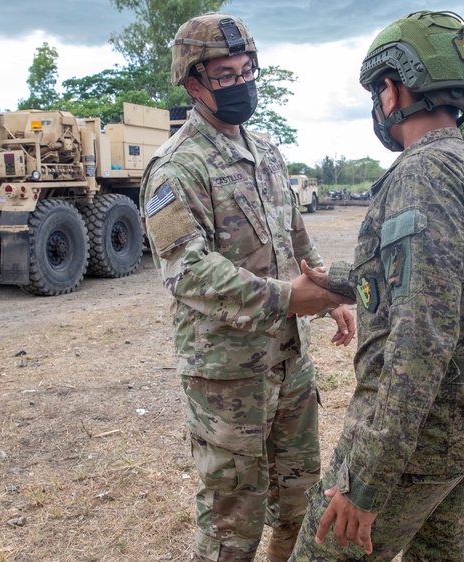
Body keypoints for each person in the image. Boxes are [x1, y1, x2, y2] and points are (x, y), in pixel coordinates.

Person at [288, 11, 464, 560]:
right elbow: (440, 283)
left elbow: (420, 340)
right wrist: (338, 281)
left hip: (412, 448)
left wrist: (367, 482)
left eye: (377, 91)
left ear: (393, 88)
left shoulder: (421, 174)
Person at [139, 13, 355, 562]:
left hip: (288, 363)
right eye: (226, 76)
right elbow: (187, 271)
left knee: (299, 497)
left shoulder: (269, 152)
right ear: (193, 85)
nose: (242, 84)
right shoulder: (176, 167)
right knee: (232, 521)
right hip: (226, 376)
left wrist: (326, 293)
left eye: (247, 71)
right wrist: (286, 298)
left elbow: (297, 239)